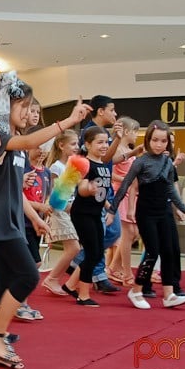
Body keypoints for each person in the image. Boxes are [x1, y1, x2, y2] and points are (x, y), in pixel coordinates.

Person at [0, 71, 92, 368]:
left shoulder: (12, 139)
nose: (29, 112)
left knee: (0, 284)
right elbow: (30, 141)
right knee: (28, 275)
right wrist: (68, 121)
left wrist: (33, 215)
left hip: (10, 222)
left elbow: (14, 190)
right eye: (23, 106)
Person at [110, 120, 185, 310]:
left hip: (164, 211)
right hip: (146, 212)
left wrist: (184, 209)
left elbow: (171, 189)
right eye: (155, 140)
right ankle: (136, 290)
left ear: (167, 143)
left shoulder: (168, 163)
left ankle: (169, 293)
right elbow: (125, 186)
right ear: (148, 140)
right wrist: (112, 210)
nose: (158, 144)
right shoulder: (141, 162)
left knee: (169, 251)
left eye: (163, 141)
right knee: (153, 251)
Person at [75, 95, 136, 294]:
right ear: (100, 111)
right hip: (91, 200)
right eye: (112, 109)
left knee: (109, 234)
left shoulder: (105, 134)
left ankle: (85, 267)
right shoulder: (89, 132)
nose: (115, 114)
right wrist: (88, 188)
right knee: (101, 239)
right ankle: (93, 273)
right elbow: (85, 171)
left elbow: (107, 161)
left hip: (103, 194)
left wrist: (128, 150)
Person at [69, 126, 113, 307]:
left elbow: (101, 194)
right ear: (87, 144)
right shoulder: (84, 164)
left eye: (106, 142)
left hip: (96, 213)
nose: (104, 146)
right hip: (82, 213)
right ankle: (83, 295)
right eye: (99, 142)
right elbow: (82, 187)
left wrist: (110, 208)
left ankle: (70, 285)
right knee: (93, 253)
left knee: (95, 252)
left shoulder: (103, 165)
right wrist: (88, 188)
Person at [15, 125, 51, 319]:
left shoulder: (44, 172)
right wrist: (38, 209)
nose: (42, 150)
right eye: (38, 145)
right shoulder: (23, 168)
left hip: (34, 223)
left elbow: (47, 194)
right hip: (22, 222)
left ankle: (22, 302)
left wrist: (44, 212)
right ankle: (19, 302)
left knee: (33, 264)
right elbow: (18, 195)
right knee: (31, 264)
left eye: (45, 146)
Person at [40, 129, 82, 296]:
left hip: (68, 209)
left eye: (77, 143)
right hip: (59, 211)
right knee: (73, 248)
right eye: (73, 144)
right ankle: (52, 278)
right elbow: (53, 193)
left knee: (74, 248)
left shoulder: (71, 165)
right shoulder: (56, 167)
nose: (76, 147)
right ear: (61, 145)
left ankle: (55, 278)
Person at [107, 116, 141, 287]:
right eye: (135, 131)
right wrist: (126, 180)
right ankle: (123, 271)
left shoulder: (128, 149)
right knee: (126, 235)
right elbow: (109, 172)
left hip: (131, 195)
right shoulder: (117, 149)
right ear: (127, 131)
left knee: (133, 233)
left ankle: (113, 267)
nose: (136, 135)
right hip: (120, 194)